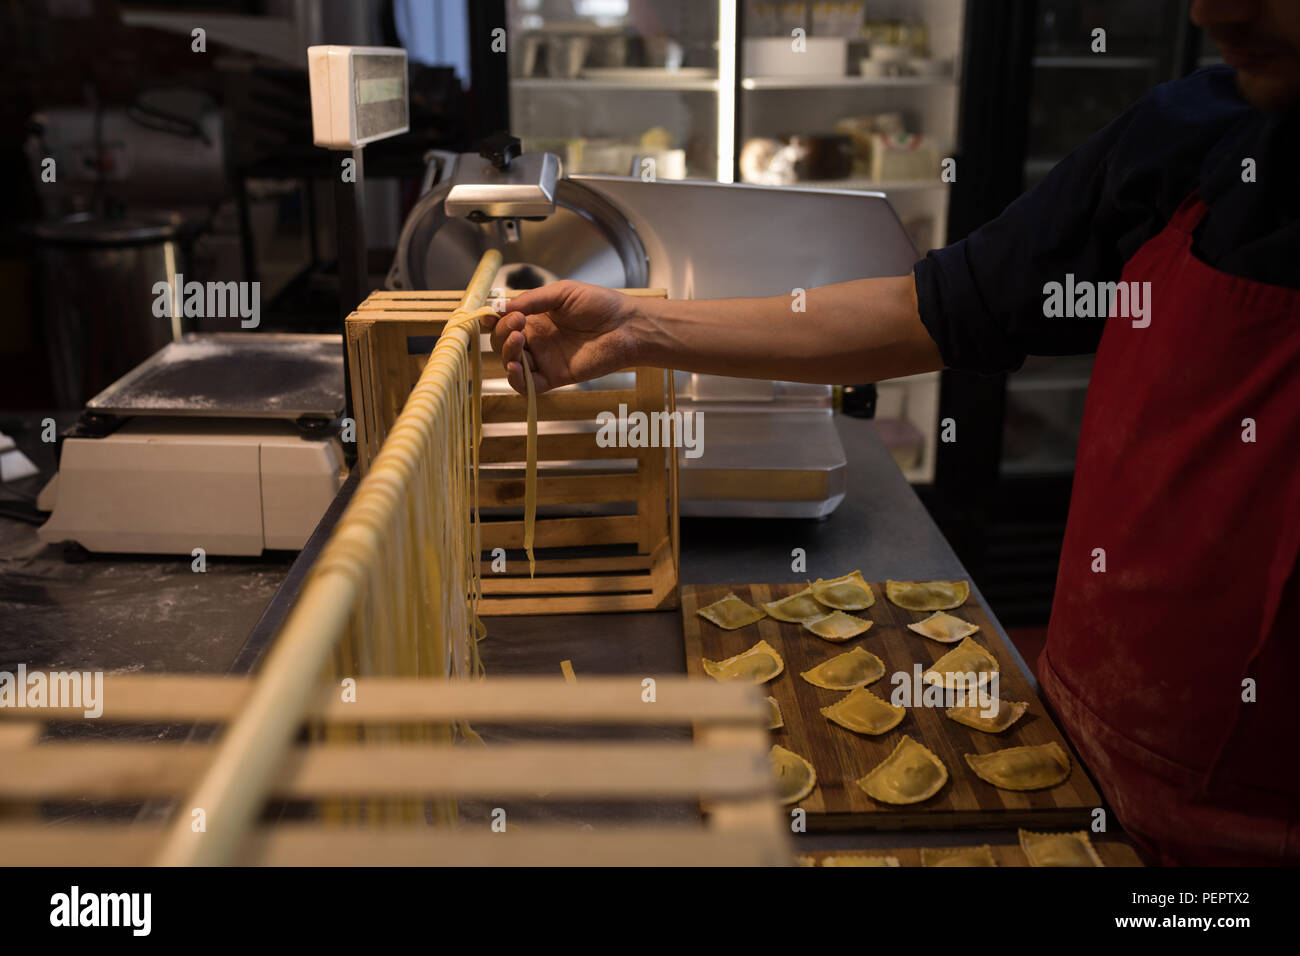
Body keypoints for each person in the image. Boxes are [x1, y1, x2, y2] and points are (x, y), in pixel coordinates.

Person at [482, 0, 1299, 865]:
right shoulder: (1189, 139)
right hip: (1072, 753)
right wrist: (640, 331)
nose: (1214, 6)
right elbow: (929, 310)